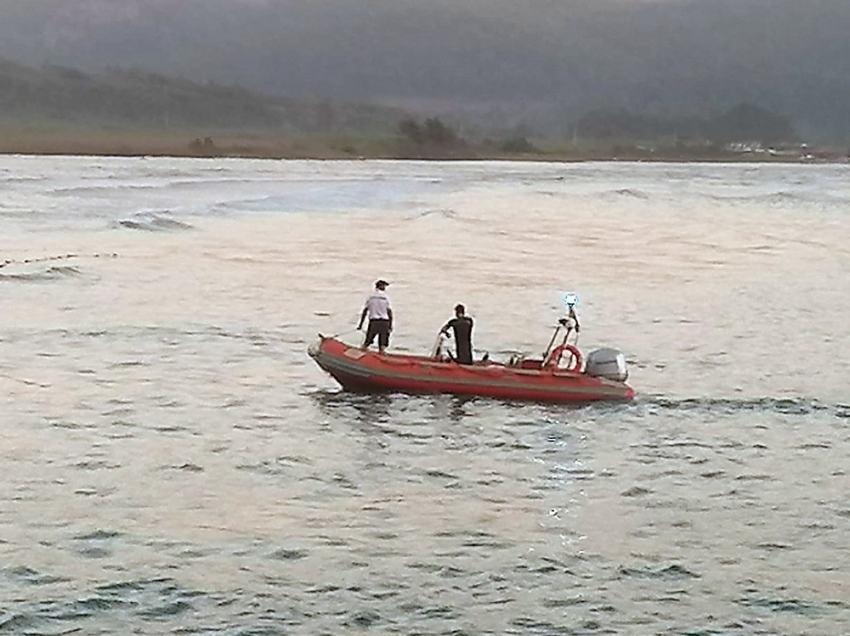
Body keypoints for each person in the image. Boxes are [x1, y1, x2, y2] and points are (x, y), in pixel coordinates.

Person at [357, 279, 393, 353]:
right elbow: (389, 312)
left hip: (374, 321)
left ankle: (361, 354)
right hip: (384, 322)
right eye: (384, 286)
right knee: (382, 344)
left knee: (367, 341)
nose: (385, 288)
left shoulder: (370, 297)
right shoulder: (386, 297)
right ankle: (381, 357)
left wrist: (360, 324)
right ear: (380, 286)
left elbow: (365, 311)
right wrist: (390, 325)